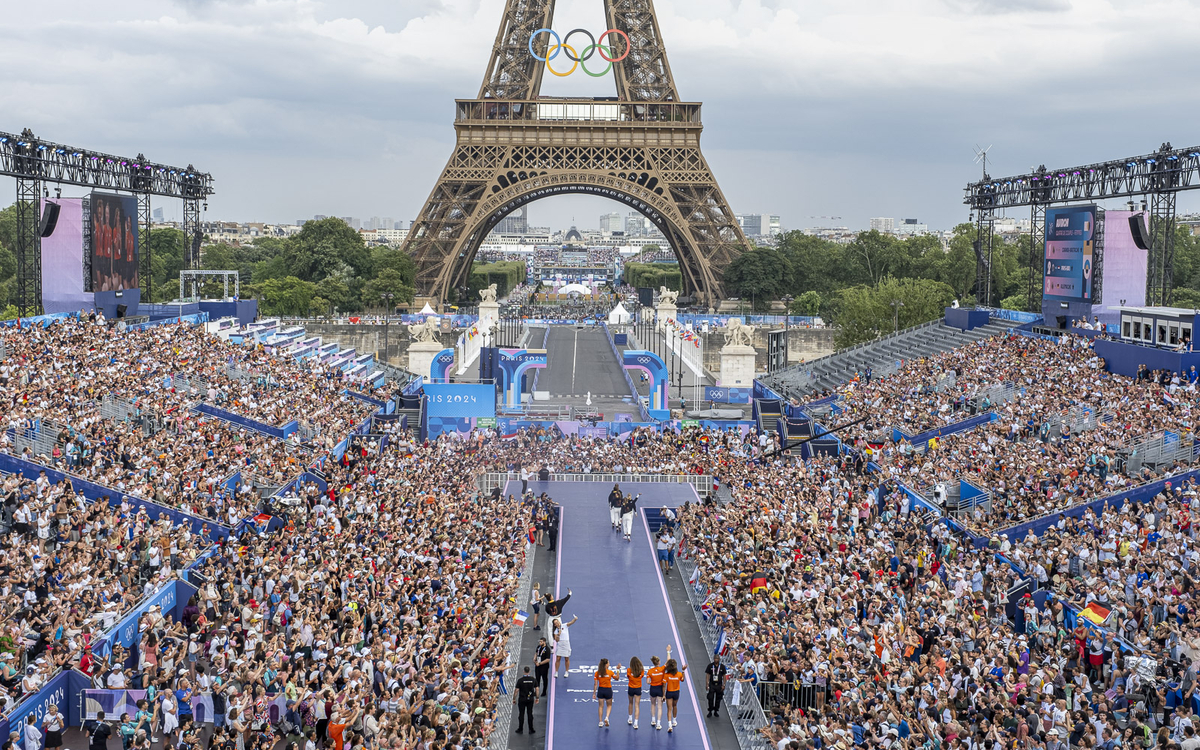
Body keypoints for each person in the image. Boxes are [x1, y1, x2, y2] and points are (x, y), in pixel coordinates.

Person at [663, 647, 688, 734]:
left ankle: (669, 725)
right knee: (675, 706)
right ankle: (674, 720)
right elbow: (682, 680)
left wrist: (663, 695)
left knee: (669, 709)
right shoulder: (679, 674)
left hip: (669, 692)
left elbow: (664, 685)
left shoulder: (666, 675)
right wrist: (683, 671)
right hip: (676, 692)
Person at [593, 658, 620, 727]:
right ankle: (607, 717)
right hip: (608, 690)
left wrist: (594, 693)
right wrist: (618, 670)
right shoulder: (610, 672)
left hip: (601, 690)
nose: (609, 664)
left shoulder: (597, 673)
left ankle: (600, 722)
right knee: (609, 705)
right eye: (608, 663)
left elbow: (595, 684)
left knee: (600, 706)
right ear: (606, 665)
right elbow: (617, 678)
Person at [513, 666, 539, 735]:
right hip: (530, 699)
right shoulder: (533, 679)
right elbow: (537, 689)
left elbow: (516, 690)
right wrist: (537, 698)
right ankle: (531, 729)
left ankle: (520, 729)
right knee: (530, 713)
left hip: (522, 699)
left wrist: (514, 699)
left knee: (521, 714)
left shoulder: (520, 680)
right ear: (529, 671)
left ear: (524, 671)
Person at [647, 655, 666, 730]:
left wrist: (653, 682)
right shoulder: (662, 669)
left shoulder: (650, 671)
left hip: (653, 688)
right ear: (659, 662)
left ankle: (653, 720)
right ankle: (658, 723)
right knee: (660, 707)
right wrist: (668, 652)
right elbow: (668, 661)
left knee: (653, 704)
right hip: (660, 689)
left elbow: (648, 682)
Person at [626, 656, 645, 729]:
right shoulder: (641, 671)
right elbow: (642, 676)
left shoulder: (629, 670)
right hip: (638, 689)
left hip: (631, 688)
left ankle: (630, 718)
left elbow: (628, 676)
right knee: (637, 705)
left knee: (630, 703)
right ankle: (636, 723)